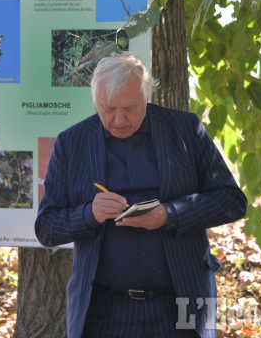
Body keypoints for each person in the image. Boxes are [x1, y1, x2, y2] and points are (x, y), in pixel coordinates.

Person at [34, 52, 248, 338]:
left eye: (130, 108)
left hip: (180, 302)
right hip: (103, 310)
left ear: (146, 97)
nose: (118, 119)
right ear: (94, 100)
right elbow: (46, 228)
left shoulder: (184, 129)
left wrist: (169, 215)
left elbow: (232, 201)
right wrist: (90, 214)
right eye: (108, 108)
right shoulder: (72, 143)